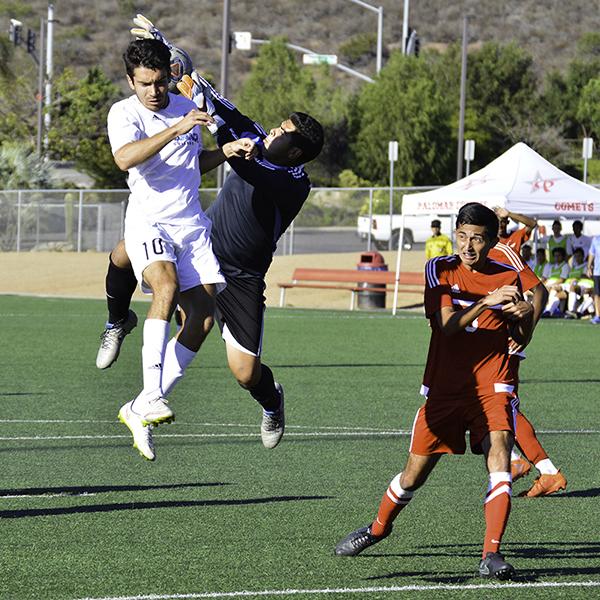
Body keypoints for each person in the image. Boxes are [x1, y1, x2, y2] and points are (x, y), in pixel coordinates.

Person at [97, 16, 324, 452]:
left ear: (295, 152)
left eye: (281, 133)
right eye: (276, 125)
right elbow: (218, 101)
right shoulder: (259, 137)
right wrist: (164, 47)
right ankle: (121, 332)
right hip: (202, 240)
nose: (271, 131)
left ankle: (271, 400)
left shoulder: (294, 181)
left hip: (241, 276)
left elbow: (244, 163)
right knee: (130, 250)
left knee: (244, 371)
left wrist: (220, 136)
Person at [334, 203, 534, 580]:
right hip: (445, 387)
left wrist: (521, 316)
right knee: (413, 474)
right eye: (463, 236)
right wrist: (485, 303)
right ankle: (377, 529)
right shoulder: (439, 268)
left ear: (492, 241)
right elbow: (446, 326)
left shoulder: (508, 275)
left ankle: (491, 554)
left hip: (493, 384)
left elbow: (518, 339)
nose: (468, 246)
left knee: (500, 457)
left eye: (477, 238)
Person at [106, 38, 256, 461]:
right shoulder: (125, 112)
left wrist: (224, 152)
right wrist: (176, 127)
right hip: (148, 221)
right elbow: (125, 159)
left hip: (190, 224)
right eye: (144, 84)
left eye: (158, 83)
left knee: (204, 318)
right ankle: (151, 394)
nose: (152, 92)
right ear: (131, 80)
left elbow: (192, 161)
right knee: (165, 287)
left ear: (168, 77)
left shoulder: (180, 105)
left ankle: (138, 408)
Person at [488, 241, 566, 497]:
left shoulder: (503, 250)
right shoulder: (467, 255)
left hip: (505, 341)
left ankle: (546, 471)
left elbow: (539, 291)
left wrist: (527, 332)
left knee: (502, 405)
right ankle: (524, 462)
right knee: (498, 406)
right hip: (483, 343)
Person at [541, 247, 570, 317]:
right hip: (551, 284)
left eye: (558, 256)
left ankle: (548, 310)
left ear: (563, 256)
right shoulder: (552, 266)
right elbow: (547, 279)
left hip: (559, 284)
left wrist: (550, 285)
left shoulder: (565, 266)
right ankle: (544, 310)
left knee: (552, 290)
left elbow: (562, 279)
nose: (557, 257)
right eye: (555, 256)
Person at [587, 234, 600, 324]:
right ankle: (598, 315)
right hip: (597, 271)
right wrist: (589, 267)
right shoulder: (596, 239)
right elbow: (592, 253)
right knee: (597, 294)